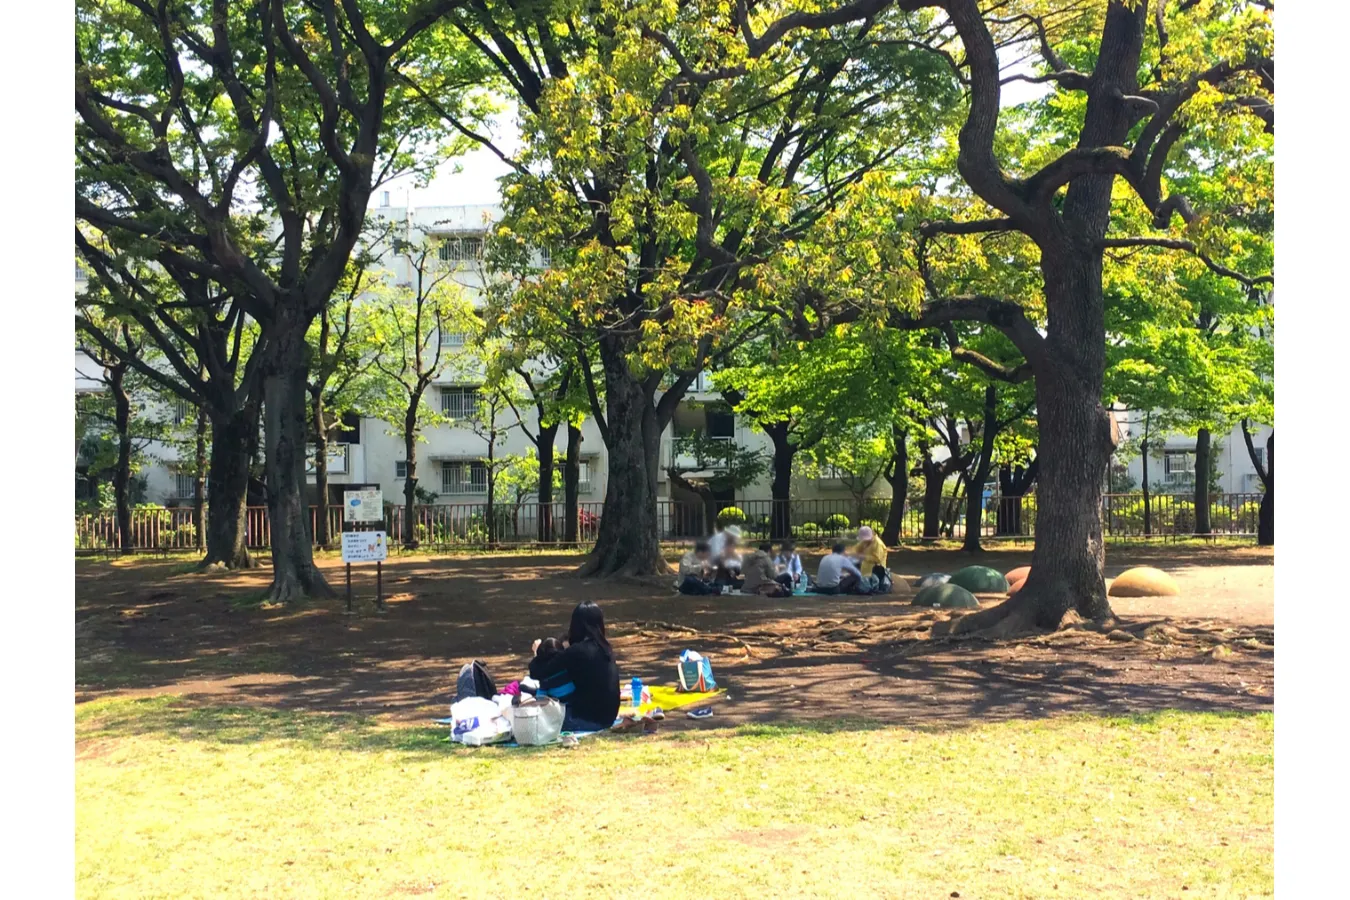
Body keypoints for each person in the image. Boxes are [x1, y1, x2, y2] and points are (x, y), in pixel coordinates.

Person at [527, 602, 621, 731]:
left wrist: (538, 653)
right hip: (608, 717)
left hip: (585, 720)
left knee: (530, 716)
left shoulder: (577, 651)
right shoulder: (606, 649)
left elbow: (538, 673)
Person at [851, 526, 891, 593]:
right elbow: (856, 549)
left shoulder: (878, 544)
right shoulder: (866, 542)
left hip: (875, 571)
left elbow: (877, 559)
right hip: (865, 571)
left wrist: (864, 557)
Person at [707, 524, 743, 588]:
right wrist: (730, 569)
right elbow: (717, 557)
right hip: (715, 565)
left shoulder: (728, 541)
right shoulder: (718, 539)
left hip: (723, 565)